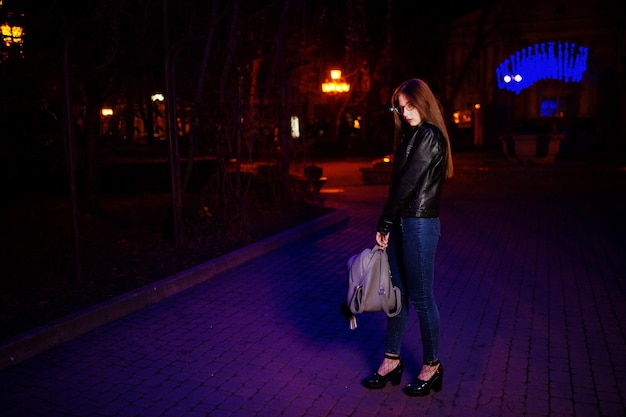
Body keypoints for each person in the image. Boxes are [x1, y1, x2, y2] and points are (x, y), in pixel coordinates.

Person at [363, 78, 453, 397]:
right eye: (401, 108)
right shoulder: (413, 136)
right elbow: (398, 184)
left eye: (410, 105)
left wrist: (384, 221)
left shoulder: (429, 136)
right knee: (398, 296)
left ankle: (432, 366)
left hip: (418, 225)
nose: (405, 112)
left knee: (422, 298)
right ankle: (391, 361)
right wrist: (391, 222)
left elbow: (406, 185)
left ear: (423, 102)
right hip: (404, 223)